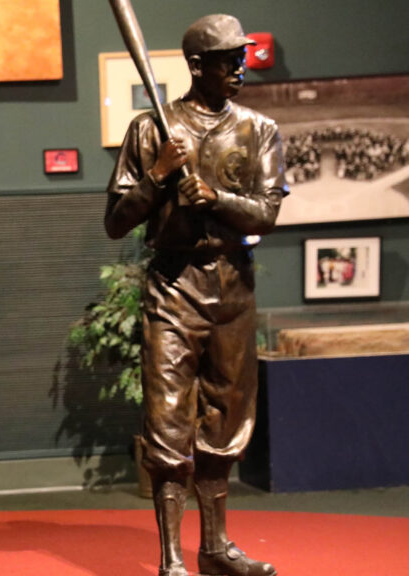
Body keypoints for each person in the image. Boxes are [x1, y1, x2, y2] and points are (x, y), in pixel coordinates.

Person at [103, 14, 287, 576]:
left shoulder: (259, 130)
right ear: (197, 66)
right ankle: (171, 558)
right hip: (173, 286)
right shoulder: (149, 130)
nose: (239, 69)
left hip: (232, 284)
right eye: (228, 60)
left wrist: (215, 198)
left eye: (241, 58)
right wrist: (158, 175)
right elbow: (115, 222)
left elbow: (267, 213)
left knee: (226, 420)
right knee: (167, 423)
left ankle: (215, 547)